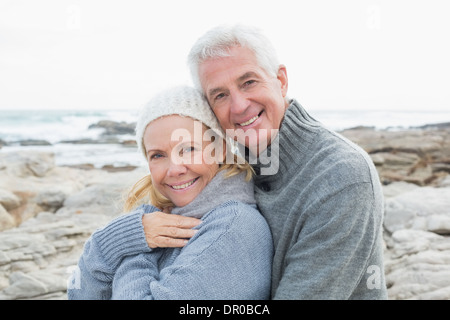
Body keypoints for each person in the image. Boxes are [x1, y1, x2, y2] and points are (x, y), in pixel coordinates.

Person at [143, 24, 389, 300]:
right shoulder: (231, 167)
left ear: (281, 81)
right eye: (220, 95)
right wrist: (133, 234)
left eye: (248, 82)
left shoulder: (342, 176)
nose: (239, 106)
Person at [67, 85, 273, 300]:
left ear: (220, 149)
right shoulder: (159, 220)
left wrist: (134, 246)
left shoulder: (233, 227)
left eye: (189, 149)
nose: (174, 169)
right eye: (158, 155)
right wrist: (108, 243)